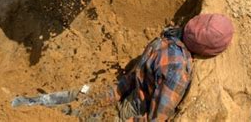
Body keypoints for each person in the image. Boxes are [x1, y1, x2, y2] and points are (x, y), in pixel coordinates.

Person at [12, 13, 234, 121]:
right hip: (129, 112)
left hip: (122, 90)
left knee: (77, 98)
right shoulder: (178, 69)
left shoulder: (165, 37)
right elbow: (157, 117)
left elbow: (133, 77)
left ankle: (27, 104)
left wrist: (110, 95)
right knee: (79, 114)